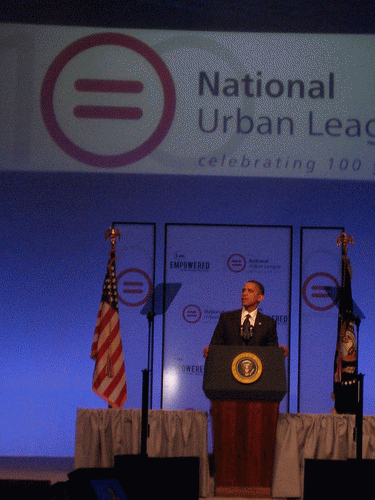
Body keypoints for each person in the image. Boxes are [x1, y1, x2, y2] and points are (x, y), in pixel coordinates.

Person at [203, 280, 288, 357]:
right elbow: (215, 346)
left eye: (250, 291)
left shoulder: (268, 323)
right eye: (243, 290)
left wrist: (279, 352)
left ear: (260, 297)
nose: (244, 294)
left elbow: (271, 352)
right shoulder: (226, 318)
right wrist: (210, 350)